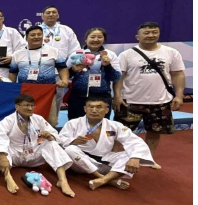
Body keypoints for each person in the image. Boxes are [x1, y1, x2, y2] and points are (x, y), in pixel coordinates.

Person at [114, 22, 185, 169]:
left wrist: (179, 96)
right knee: (120, 133)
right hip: (130, 101)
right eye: (146, 33)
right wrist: (117, 96)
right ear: (137, 36)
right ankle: (113, 156)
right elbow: (120, 77)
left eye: (154, 32)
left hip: (160, 101)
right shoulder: (126, 55)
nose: (151, 35)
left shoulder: (171, 53)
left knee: (154, 132)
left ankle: (148, 158)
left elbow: (178, 74)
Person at [59, 96, 155, 191]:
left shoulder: (115, 126)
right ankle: (105, 178)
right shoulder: (73, 123)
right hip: (81, 162)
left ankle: (104, 180)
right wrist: (74, 141)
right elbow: (60, 139)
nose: (94, 110)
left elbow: (134, 141)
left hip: (106, 160)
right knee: (70, 150)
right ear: (85, 109)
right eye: (91, 107)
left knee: (130, 155)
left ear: (107, 110)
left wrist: (135, 157)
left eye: (99, 107)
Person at [0, 93, 75, 197]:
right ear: (17, 106)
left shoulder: (38, 119)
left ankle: (62, 180)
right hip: (15, 155)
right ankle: (8, 177)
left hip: (33, 154)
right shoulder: (8, 121)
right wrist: (3, 158)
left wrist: (49, 135)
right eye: (27, 105)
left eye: (32, 105)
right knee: (0, 151)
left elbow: (54, 134)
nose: (30, 108)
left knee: (52, 144)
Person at [9, 25, 69, 127]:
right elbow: (13, 73)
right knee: (25, 119)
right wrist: (11, 89)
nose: (36, 37)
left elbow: (62, 68)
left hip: (47, 93)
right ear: (26, 38)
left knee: (50, 121)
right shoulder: (17, 54)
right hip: (25, 93)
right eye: (33, 35)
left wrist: (65, 80)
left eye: (39, 34)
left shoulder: (53, 51)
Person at [66, 27, 122, 120]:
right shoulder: (76, 54)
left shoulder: (110, 55)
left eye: (99, 37)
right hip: (78, 97)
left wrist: (107, 66)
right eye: (92, 37)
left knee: (100, 125)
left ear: (104, 39)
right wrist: (73, 70)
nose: (96, 40)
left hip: (102, 97)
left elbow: (116, 77)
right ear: (86, 39)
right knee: (76, 125)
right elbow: (65, 76)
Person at [39, 6, 80, 116]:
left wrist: (65, 68)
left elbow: (75, 51)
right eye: (48, 12)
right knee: (38, 98)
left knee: (57, 99)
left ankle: (53, 122)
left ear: (58, 15)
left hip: (60, 73)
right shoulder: (36, 30)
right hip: (40, 72)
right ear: (42, 16)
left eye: (54, 12)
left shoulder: (66, 30)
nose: (51, 14)